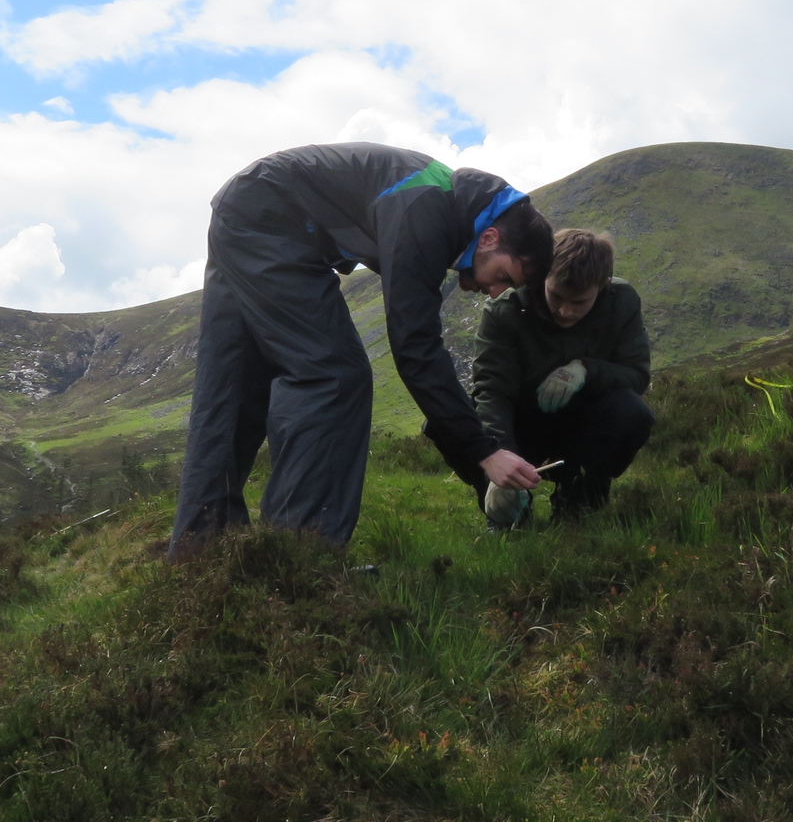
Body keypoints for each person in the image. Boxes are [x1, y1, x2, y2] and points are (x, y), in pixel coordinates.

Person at [169, 143, 554, 558]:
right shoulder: (426, 212)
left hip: (248, 210)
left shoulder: (442, 199)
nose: (494, 292)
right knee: (334, 376)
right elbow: (415, 348)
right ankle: (300, 555)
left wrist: (480, 456)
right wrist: (484, 452)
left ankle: (200, 550)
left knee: (230, 387)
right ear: (490, 237)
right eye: (503, 276)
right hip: (270, 220)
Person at [438, 228, 653, 525]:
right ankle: (507, 511)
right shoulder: (505, 309)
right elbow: (492, 392)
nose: (565, 311)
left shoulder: (622, 302)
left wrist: (586, 370)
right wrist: (498, 461)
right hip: (521, 425)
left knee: (632, 412)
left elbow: (637, 375)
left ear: (602, 286)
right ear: (543, 277)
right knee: (446, 422)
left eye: (579, 303)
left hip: (582, 428)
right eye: (557, 296)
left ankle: (578, 503)